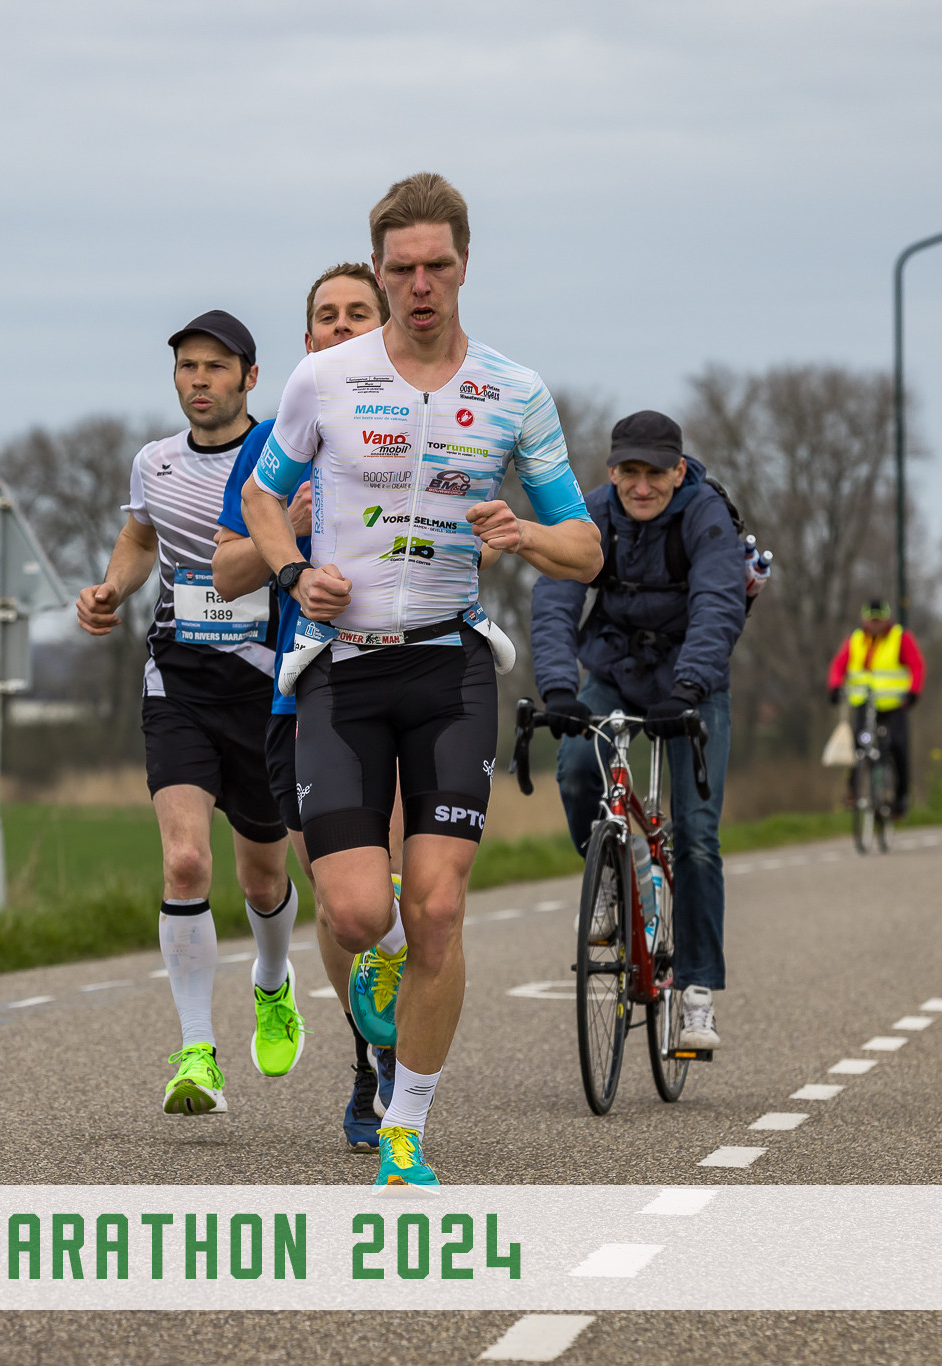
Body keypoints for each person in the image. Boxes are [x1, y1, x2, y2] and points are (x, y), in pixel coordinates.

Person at [240, 172, 601, 1186]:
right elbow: (264, 499)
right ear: (379, 267)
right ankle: (385, 950)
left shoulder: (513, 391)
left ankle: (405, 1128)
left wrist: (524, 532)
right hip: (342, 669)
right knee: (356, 912)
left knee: (441, 907)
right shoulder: (323, 380)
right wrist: (290, 572)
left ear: (465, 264)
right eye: (401, 268)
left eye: (437, 264)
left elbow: (584, 549)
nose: (420, 285)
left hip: (451, 668)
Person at [75, 309, 300, 1119]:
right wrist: (111, 587)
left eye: (215, 367)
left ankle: (272, 981)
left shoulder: (280, 456)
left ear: (249, 377)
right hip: (179, 682)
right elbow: (141, 539)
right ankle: (197, 1052)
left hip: (265, 689)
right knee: (183, 864)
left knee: (262, 876)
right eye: (186, 367)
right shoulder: (155, 462)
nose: (199, 381)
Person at [211, 261, 405, 1153]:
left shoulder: (420, 417)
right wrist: (281, 532)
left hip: (404, 679)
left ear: (385, 326)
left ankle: (405, 1049)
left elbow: (469, 539)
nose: (340, 327)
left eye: (358, 313)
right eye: (326, 316)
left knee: (390, 881)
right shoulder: (274, 440)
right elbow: (226, 573)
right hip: (303, 694)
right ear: (308, 339)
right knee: (334, 898)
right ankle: (370, 1054)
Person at [530, 410, 746, 1052]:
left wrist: (691, 686)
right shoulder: (593, 513)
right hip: (615, 671)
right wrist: (559, 689)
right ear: (612, 470)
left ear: (678, 471)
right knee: (575, 769)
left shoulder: (705, 516)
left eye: (655, 473)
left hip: (691, 685)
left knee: (697, 837)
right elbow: (556, 595)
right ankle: (608, 879)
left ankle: (697, 993)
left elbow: (718, 603)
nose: (642, 486)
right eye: (630, 472)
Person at [826, 601, 925, 818]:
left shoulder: (900, 638)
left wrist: (913, 692)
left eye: (879, 620)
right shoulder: (855, 639)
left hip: (894, 704)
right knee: (858, 744)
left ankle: (900, 798)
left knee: (898, 746)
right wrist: (834, 687)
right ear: (864, 619)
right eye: (871, 620)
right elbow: (839, 665)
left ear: (886, 619)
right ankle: (853, 791)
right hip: (865, 702)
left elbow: (916, 665)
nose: (875, 624)